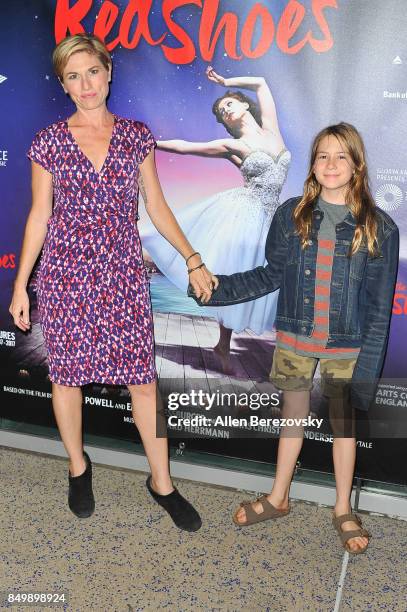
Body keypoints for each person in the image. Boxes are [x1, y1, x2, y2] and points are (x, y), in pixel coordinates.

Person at [9, 33, 217, 531]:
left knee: (142, 381)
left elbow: (157, 206)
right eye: (73, 77)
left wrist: (191, 258)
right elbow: (39, 216)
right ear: (63, 84)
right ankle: (78, 468)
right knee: (66, 378)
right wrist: (21, 284)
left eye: (92, 72)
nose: (85, 85)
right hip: (65, 274)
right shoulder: (49, 142)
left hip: (122, 273)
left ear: (108, 73)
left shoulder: (136, 136)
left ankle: (161, 482)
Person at [190, 123, 399, 553]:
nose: (331, 164)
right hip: (295, 340)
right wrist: (218, 289)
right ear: (312, 164)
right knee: (292, 418)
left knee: (344, 427)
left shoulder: (380, 227)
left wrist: (366, 375)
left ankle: (343, 508)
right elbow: (269, 274)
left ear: (357, 163)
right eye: (322, 155)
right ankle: (278, 496)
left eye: (341, 156)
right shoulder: (292, 214)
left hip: (347, 346)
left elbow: (379, 312)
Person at [141, 67, 290, 373]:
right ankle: (224, 344)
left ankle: (227, 345)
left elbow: (261, 80)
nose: (225, 111)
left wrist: (225, 82)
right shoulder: (232, 146)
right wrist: (148, 143)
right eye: (222, 112)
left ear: (245, 104)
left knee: (268, 278)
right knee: (237, 274)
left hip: (272, 216)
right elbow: (186, 147)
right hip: (245, 213)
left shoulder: (272, 130)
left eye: (228, 104)